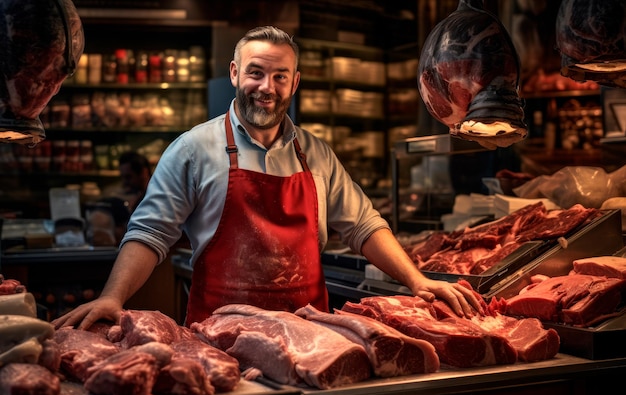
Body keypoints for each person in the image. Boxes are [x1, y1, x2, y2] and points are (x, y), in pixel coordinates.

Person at [53, 26, 483, 330]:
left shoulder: (316, 153)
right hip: (220, 338)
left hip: (311, 338)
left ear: (294, 83)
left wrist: (417, 281)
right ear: (236, 74)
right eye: (256, 72)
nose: (267, 87)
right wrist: (113, 296)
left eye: (280, 77)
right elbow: (149, 234)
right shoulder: (193, 149)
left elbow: (364, 226)